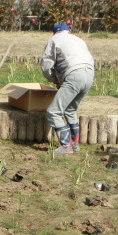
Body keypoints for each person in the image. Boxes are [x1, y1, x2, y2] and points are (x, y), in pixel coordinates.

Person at [40, 21, 95, 154]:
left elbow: (46, 66)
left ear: (55, 32)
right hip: (90, 74)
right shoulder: (78, 39)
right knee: (70, 110)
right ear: (68, 31)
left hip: (74, 75)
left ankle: (66, 146)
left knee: (53, 112)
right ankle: (75, 144)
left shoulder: (54, 40)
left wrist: (54, 80)